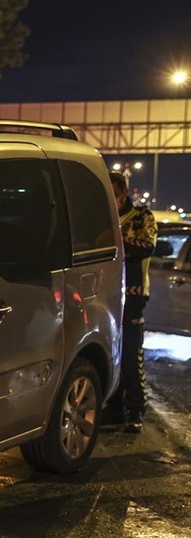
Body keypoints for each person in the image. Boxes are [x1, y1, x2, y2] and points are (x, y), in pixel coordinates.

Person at [106, 171, 157, 433]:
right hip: (106, 294)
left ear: (124, 193)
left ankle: (135, 410)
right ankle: (113, 410)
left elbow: (145, 246)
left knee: (130, 357)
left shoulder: (142, 217)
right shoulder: (102, 215)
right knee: (110, 355)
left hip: (134, 295)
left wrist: (115, 240)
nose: (111, 199)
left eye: (113, 194)